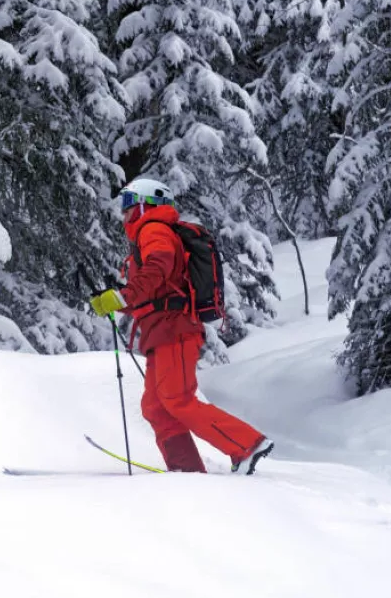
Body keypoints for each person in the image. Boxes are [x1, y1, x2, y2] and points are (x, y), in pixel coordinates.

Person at [88, 178, 274, 475]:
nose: (123, 214)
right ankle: (186, 473)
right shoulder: (149, 235)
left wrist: (121, 295)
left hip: (174, 329)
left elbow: (158, 268)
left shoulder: (154, 229)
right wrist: (114, 302)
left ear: (144, 205)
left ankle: (247, 444)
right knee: (156, 407)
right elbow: (154, 291)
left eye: (127, 204)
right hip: (161, 331)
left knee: (177, 399)